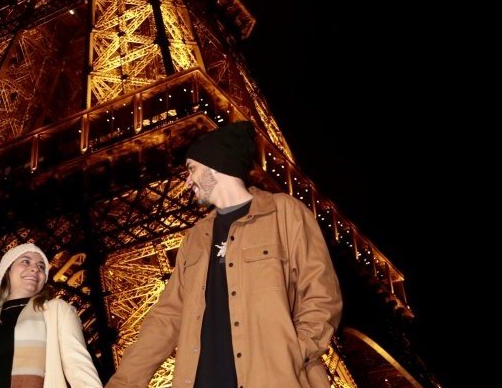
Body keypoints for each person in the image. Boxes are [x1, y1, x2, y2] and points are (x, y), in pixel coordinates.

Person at [105, 121, 342, 388]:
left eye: (191, 169)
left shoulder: (284, 213)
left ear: (215, 165)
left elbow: (322, 294)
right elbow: (166, 318)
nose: (187, 182)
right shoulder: (195, 237)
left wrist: (292, 352)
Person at [0, 243, 103, 388]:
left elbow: (79, 367)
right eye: (25, 261)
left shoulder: (57, 311)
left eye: (41, 266)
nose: (35, 269)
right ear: (7, 272)